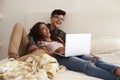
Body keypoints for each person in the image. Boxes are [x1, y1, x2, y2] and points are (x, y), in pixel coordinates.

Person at [28, 22, 120, 80]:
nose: (46, 29)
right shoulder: (41, 43)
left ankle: (116, 69)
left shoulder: (57, 39)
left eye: (46, 27)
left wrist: (89, 53)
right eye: (42, 29)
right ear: (39, 32)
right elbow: (44, 56)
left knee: (97, 59)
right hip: (61, 57)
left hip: (72, 52)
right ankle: (115, 77)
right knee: (88, 65)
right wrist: (56, 51)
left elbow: (72, 47)